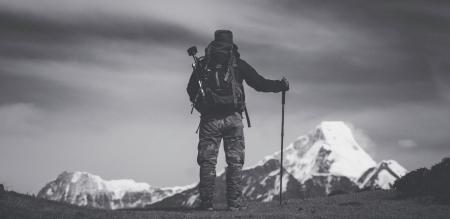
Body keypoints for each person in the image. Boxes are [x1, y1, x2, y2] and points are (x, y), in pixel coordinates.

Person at [186, 30, 289, 211]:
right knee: (235, 163)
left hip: (209, 120)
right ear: (232, 43)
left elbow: (190, 89)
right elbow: (260, 83)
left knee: (208, 162)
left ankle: (206, 205)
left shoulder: (203, 64)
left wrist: (205, 108)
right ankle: (234, 205)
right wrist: (280, 86)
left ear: (214, 42)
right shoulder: (237, 64)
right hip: (233, 119)